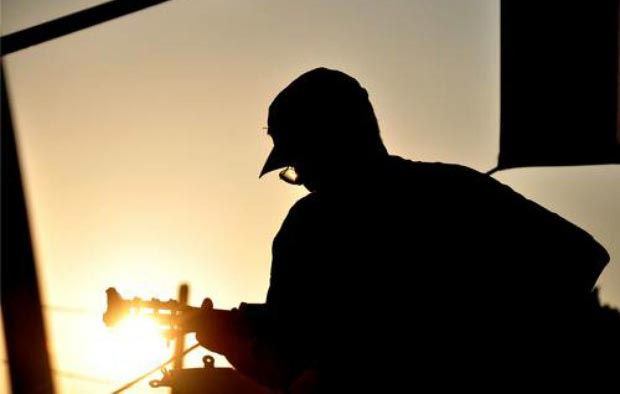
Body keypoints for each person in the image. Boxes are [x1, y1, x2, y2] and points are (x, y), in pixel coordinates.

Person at [196, 68, 615, 392]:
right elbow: (289, 366)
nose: (301, 178)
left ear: (334, 142)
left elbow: (583, 259)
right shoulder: (454, 189)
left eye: (300, 161)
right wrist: (234, 344)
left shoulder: (310, 230)